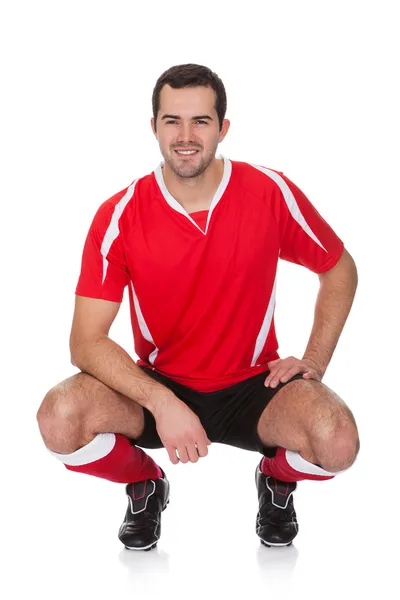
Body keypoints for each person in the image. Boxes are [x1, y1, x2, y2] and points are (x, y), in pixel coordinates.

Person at [36, 63, 360, 552]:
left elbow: (338, 267)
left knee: (337, 444)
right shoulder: (118, 215)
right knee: (59, 419)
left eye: (201, 121)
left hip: (256, 385)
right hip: (160, 384)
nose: (185, 136)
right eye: (172, 121)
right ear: (154, 127)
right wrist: (163, 404)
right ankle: (146, 485)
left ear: (223, 128)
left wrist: (314, 361)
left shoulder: (269, 193)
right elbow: (86, 341)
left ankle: (275, 478)